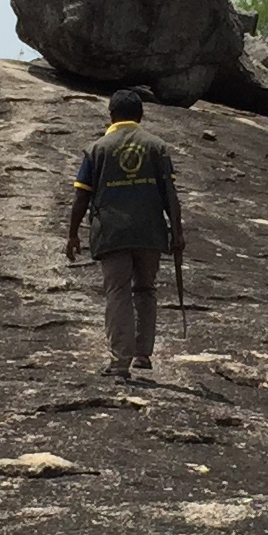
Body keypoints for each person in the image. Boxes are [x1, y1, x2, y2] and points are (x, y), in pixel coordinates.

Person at [64, 87, 182, 380]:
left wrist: (72, 234)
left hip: (112, 233)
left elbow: (81, 196)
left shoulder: (98, 149)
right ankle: (143, 353)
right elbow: (171, 194)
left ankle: (120, 361)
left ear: (111, 114)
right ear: (141, 116)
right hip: (150, 232)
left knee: (117, 292)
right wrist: (177, 232)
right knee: (146, 289)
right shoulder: (157, 147)